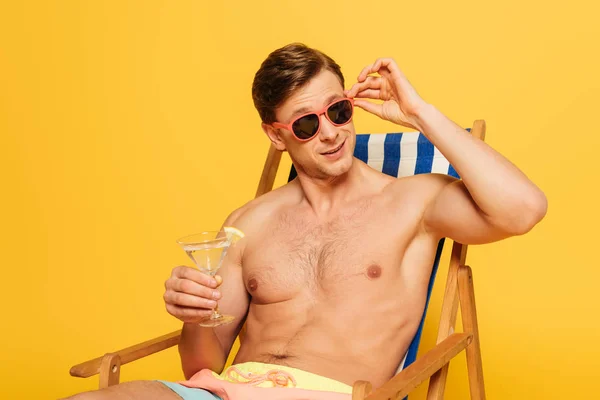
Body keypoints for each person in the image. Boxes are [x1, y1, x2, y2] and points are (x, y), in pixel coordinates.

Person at [64, 43, 547, 400]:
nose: (332, 133)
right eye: (307, 124)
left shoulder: (414, 201)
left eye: (339, 110)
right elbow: (202, 365)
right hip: (224, 392)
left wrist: (419, 114)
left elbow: (523, 209)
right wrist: (194, 317)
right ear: (276, 136)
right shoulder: (248, 223)